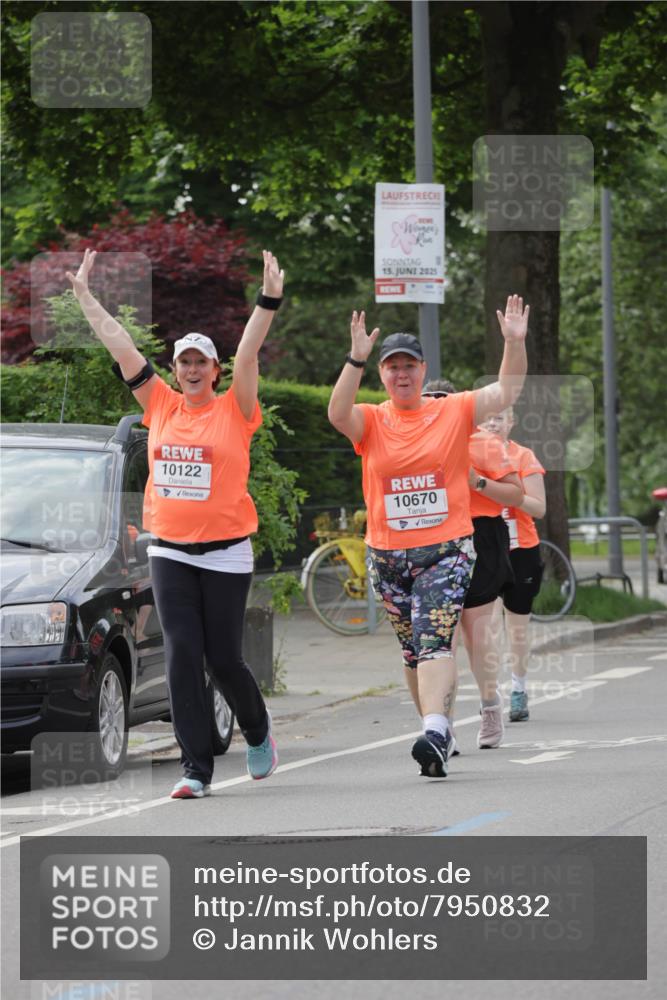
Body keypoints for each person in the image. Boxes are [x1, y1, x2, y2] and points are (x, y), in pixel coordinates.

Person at [66, 247, 284, 799]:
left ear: (214, 371)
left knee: (223, 658)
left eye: (200, 362)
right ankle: (196, 769)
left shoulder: (236, 408)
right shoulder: (158, 403)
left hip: (228, 549)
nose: (190, 369)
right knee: (184, 653)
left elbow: (251, 351)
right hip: (171, 550)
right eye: (183, 361)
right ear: (176, 367)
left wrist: (268, 300)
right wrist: (87, 299)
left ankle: (258, 732)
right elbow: (121, 345)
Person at [328, 295, 529, 778]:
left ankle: (437, 729)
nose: (402, 375)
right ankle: (435, 730)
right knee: (413, 649)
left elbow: (505, 390)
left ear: (423, 371)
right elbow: (337, 414)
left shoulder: (452, 410)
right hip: (388, 554)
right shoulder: (372, 419)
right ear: (382, 374)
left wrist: (513, 344)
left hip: (446, 551)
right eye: (392, 367)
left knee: (435, 639)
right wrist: (354, 357)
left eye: (410, 366)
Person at [422, 380, 523, 751]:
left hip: (481, 535)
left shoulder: (483, 442)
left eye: (442, 402)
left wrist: (476, 480)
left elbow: (515, 495)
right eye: (429, 402)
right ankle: (441, 726)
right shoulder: (417, 444)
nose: (435, 409)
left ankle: (489, 706)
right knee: (437, 640)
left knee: (477, 636)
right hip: (434, 537)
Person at [481, 407, 546, 722]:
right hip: (487, 550)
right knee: (488, 625)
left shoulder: (524, 457)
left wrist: (509, 494)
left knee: (517, 628)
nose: (492, 423)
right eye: (488, 417)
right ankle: (490, 696)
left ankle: (518, 688)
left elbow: (539, 508)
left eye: (499, 417)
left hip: (522, 550)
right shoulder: (471, 454)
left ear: (511, 422)